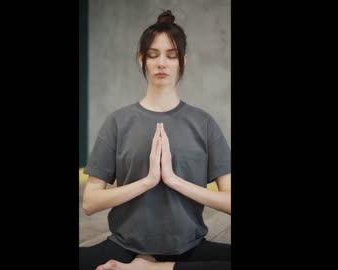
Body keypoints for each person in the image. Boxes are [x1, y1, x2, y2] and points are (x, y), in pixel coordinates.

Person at [79, 10, 231, 270]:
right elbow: (90, 202)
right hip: (124, 247)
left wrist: (174, 180)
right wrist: (148, 181)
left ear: (182, 61)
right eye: (153, 55)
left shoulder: (203, 123)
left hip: (188, 249)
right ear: (142, 60)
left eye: (171, 56)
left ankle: (152, 268)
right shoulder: (117, 121)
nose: (162, 63)